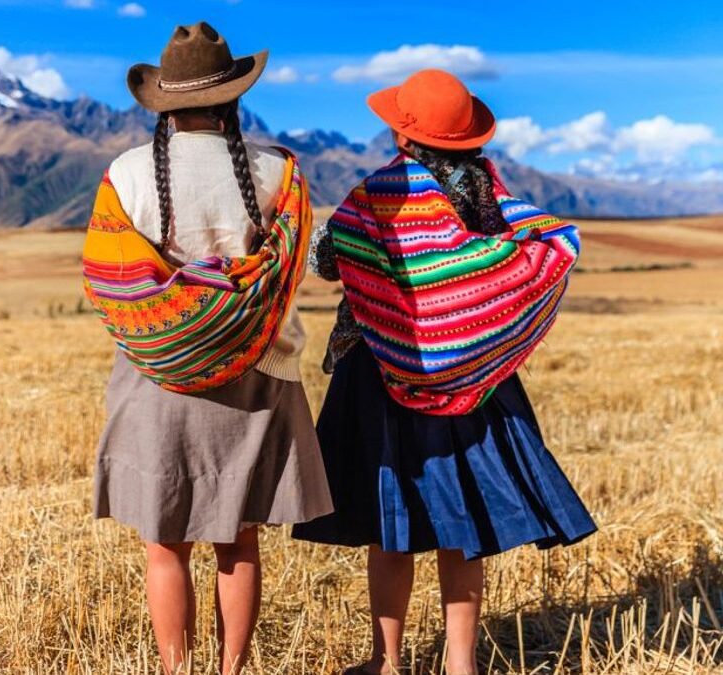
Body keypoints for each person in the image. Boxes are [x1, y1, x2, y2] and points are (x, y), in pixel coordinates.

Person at [291, 69, 598, 675]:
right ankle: (462, 664)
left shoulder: (379, 191)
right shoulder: (491, 193)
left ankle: (387, 661)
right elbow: (537, 248)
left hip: (379, 373)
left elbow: (329, 257)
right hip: (476, 380)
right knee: (463, 522)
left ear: (403, 133)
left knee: (391, 522)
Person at [82, 22, 333, 675]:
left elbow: (108, 279)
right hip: (257, 375)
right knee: (238, 539)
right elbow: (300, 260)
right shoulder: (279, 173)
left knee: (164, 545)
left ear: (164, 100)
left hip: (156, 379)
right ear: (233, 98)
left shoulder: (125, 175)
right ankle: (233, 669)